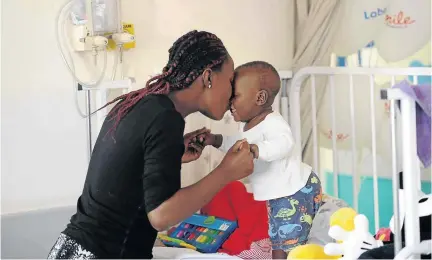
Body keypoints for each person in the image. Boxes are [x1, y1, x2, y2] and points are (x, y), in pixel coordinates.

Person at [47, 30, 254, 259]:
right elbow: (161, 216)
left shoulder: (139, 103)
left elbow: (123, 177)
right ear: (208, 78)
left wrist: (171, 154)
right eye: (230, 82)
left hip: (70, 250)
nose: (233, 94)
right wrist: (226, 172)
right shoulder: (166, 118)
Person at [201, 61, 323, 259]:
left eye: (235, 96)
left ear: (260, 98)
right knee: (277, 234)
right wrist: (215, 140)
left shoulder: (273, 122)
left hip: (295, 190)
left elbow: (284, 143)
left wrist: (258, 149)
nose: (229, 102)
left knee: (289, 239)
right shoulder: (249, 125)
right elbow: (236, 144)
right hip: (279, 193)